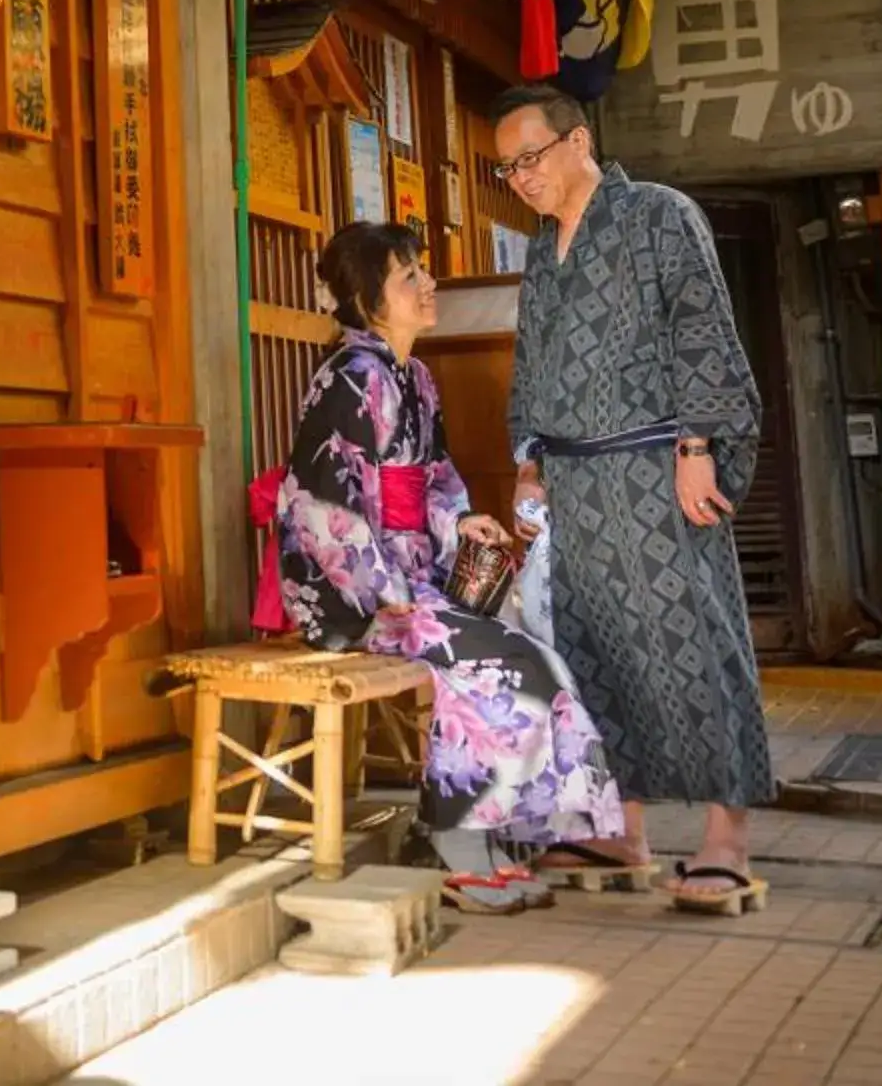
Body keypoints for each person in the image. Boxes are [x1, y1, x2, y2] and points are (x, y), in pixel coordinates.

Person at [261, 220, 627, 915]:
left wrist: (460, 524)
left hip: (416, 576)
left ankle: (498, 841)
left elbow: (433, 480)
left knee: (534, 653)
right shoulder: (348, 379)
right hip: (353, 595)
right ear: (370, 301)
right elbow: (321, 507)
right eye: (410, 278)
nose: (428, 285)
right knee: (497, 664)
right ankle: (457, 846)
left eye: (421, 272)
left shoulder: (417, 381)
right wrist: (385, 593)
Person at [489, 82, 776, 916]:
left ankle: (726, 839)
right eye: (507, 168)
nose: (521, 177)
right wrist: (528, 458)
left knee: (695, 639)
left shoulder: (659, 215)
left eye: (530, 157)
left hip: (659, 468)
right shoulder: (544, 252)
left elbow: (702, 329)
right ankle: (626, 833)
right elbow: (531, 363)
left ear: (578, 141)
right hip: (574, 482)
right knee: (597, 659)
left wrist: (698, 447)